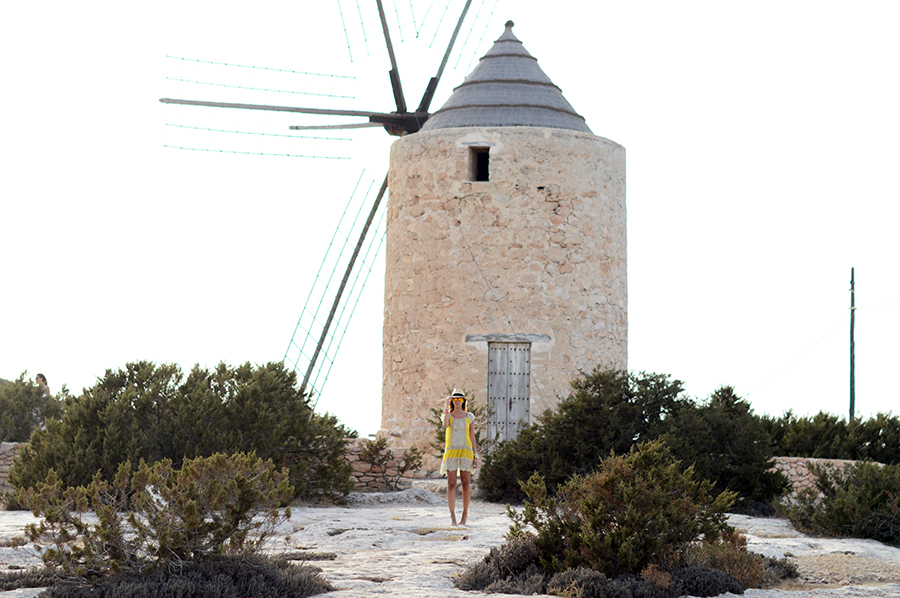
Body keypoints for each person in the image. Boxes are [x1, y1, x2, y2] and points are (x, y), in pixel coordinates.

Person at [441, 389, 478, 526]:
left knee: (465, 483)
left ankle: (465, 514)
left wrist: (476, 455)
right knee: (451, 484)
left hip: (466, 452)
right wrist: (446, 406)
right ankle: (452, 517)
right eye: (455, 399)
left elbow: (472, 436)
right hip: (451, 452)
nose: (457, 402)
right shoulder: (448, 415)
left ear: (463, 401)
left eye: (460, 399)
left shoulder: (469, 416)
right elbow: (445, 425)